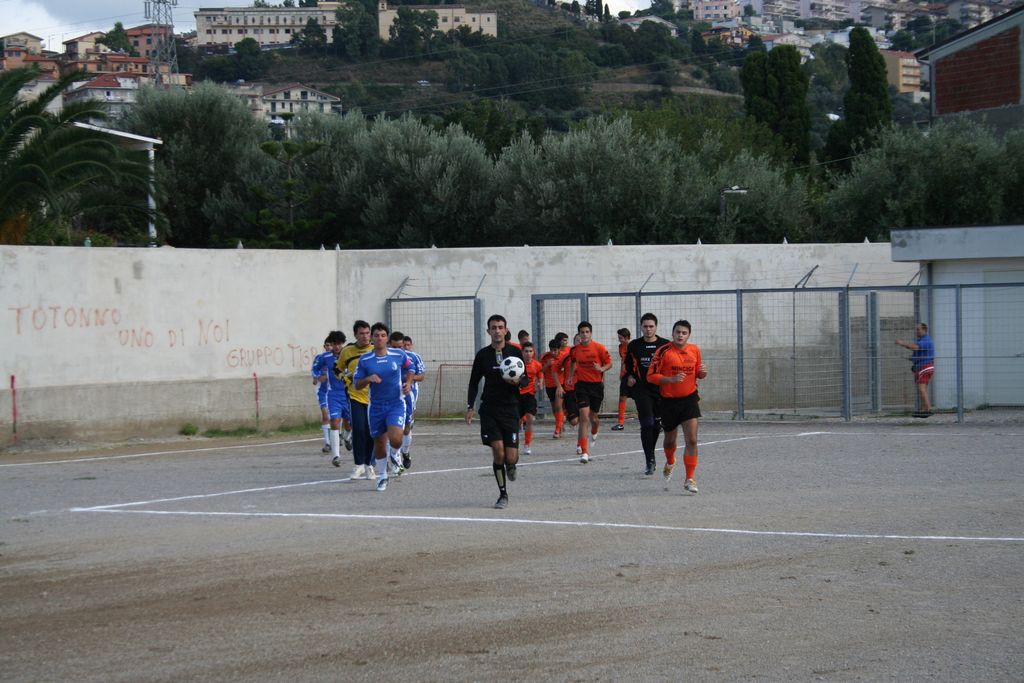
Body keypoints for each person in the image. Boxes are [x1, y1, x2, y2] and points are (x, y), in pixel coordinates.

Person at [466, 314, 527, 510]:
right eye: (493, 328)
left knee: (511, 457)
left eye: (500, 327)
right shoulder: (483, 355)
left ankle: (512, 465)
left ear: (506, 330)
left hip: (510, 408)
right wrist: (470, 406)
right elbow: (474, 382)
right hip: (490, 410)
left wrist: (517, 382)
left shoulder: (515, 353)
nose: (497, 331)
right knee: (498, 453)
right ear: (488, 331)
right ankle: (503, 494)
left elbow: (525, 378)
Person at [647, 319, 707, 493]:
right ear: (672, 333)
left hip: (689, 399)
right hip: (669, 401)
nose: (680, 335)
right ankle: (670, 461)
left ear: (689, 335)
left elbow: (698, 373)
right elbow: (651, 376)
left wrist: (702, 373)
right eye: (678, 332)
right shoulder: (663, 351)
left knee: (692, 440)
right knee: (670, 440)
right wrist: (670, 379)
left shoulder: (694, 350)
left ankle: (690, 479)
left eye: (684, 333)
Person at [354, 322, 413, 492]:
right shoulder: (365, 359)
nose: (379, 338)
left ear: (387, 338)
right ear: (372, 338)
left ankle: (394, 454)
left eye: (383, 335)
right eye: (376, 335)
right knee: (379, 444)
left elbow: (410, 368)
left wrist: (408, 383)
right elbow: (357, 384)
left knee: (396, 438)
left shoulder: (398, 354)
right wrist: (368, 378)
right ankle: (382, 476)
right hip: (376, 407)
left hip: (396, 403)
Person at [624, 313, 670, 475]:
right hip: (642, 389)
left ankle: (651, 454)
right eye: (645, 326)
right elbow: (628, 364)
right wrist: (630, 376)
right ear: (641, 327)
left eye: (651, 326)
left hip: (660, 389)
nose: (648, 329)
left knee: (656, 425)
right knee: (647, 423)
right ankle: (649, 460)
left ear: (656, 327)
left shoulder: (665, 345)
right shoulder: (634, 345)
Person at [566, 322, 612, 464]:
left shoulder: (599, 348)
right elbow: (573, 362)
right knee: (584, 416)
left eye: (587, 332)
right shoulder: (575, 350)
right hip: (581, 386)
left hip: (596, 386)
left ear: (591, 333)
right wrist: (570, 376)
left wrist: (601, 369)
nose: (584, 334)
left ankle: (595, 430)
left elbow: (609, 363)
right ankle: (584, 452)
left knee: (593, 418)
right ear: (579, 334)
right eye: (582, 332)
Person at [337, 320, 374, 480]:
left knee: (370, 431)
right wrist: (344, 378)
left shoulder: (375, 350)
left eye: (367, 333)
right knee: (358, 430)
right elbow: (337, 368)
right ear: (355, 335)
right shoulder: (347, 351)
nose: (365, 336)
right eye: (361, 333)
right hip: (355, 396)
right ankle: (359, 464)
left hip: (374, 398)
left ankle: (369, 465)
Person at [398, 334, 426, 469]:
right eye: (401, 345)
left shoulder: (414, 357)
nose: (404, 348)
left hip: (410, 392)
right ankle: (394, 457)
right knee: (394, 425)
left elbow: (421, 376)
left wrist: (409, 378)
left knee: (406, 425)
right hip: (393, 394)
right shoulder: (389, 356)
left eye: (406, 345)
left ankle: (405, 452)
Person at [324, 330, 352, 467]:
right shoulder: (325, 357)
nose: (337, 347)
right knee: (334, 421)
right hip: (333, 395)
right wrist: (317, 375)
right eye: (334, 344)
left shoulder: (348, 355)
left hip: (349, 394)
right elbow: (315, 367)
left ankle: (346, 437)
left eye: (339, 344)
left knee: (349, 424)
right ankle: (336, 456)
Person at [896, 322, 935, 418]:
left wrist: (902, 343)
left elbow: (915, 347)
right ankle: (924, 409)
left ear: (924, 330)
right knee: (922, 389)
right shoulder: (922, 340)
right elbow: (918, 352)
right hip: (922, 366)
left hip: (925, 367)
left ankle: (928, 409)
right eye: (916, 329)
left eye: (918, 329)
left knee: (922, 389)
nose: (916, 331)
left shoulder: (926, 340)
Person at [518, 341, 543, 455]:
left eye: (530, 351)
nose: (528, 354)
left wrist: (540, 382)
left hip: (529, 395)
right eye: (526, 351)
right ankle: (513, 441)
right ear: (522, 352)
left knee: (530, 419)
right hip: (517, 395)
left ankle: (527, 444)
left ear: (533, 352)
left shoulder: (537, 364)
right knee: (516, 420)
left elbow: (540, 373)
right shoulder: (517, 364)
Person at [311, 336, 336, 454]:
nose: (329, 347)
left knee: (335, 417)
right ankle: (328, 443)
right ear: (324, 346)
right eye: (327, 345)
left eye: (331, 345)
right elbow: (314, 370)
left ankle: (339, 436)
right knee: (325, 415)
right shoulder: (320, 358)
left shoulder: (338, 357)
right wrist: (317, 377)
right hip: (322, 391)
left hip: (334, 391)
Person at [540, 338, 566, 438]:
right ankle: (560, 423)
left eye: (555, 350)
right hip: (549, 385)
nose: (553, 352)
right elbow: (540, 370)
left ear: (559, 349)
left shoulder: (564, 357)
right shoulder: (545, 357)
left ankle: (557, 429)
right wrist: (547, 365)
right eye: (551, 350)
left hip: (560, 385)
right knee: (554, 408)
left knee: (559, 406)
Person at [612, 327, 631, 431]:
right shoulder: (620, 347)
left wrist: (633, 375)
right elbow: (623, 361)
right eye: (619, 337)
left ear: (627, 337)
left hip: (633, 375)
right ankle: (620, 423)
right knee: (622, 397)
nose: (619, 340)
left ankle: (648, 421)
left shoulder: (633, 346)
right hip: (625, 375)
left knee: (641, 398)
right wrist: (621, 373)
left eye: (621, 338)